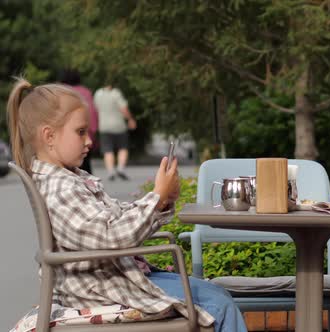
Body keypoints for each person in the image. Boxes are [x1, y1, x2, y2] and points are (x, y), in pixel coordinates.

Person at [6, 78, 247, 332]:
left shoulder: (70, 179)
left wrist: (160, 198)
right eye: (80, 132)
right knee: (219, 304)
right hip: (104, 289)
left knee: (216, 294)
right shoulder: (60, 188)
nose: (89, 141)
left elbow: (115, 219)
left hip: (115, 278)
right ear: (49, 136)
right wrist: (155, 199)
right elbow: (110, 237)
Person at [58, 68, 98, 174]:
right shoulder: (86, 92)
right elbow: (92, 114)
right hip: (85, 133)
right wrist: (93, 132)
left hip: (63, 137)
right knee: (86, 166)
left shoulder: (59, 92)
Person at [94, 83, 136, 181]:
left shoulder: (98, 94)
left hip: (104, 125)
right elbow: (124, 109)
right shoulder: (116, 93)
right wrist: (130, 119)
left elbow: (96, 109)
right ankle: (120, 168)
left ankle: (111, 171)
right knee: (123, 147)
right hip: (119, 126)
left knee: (107, 149)